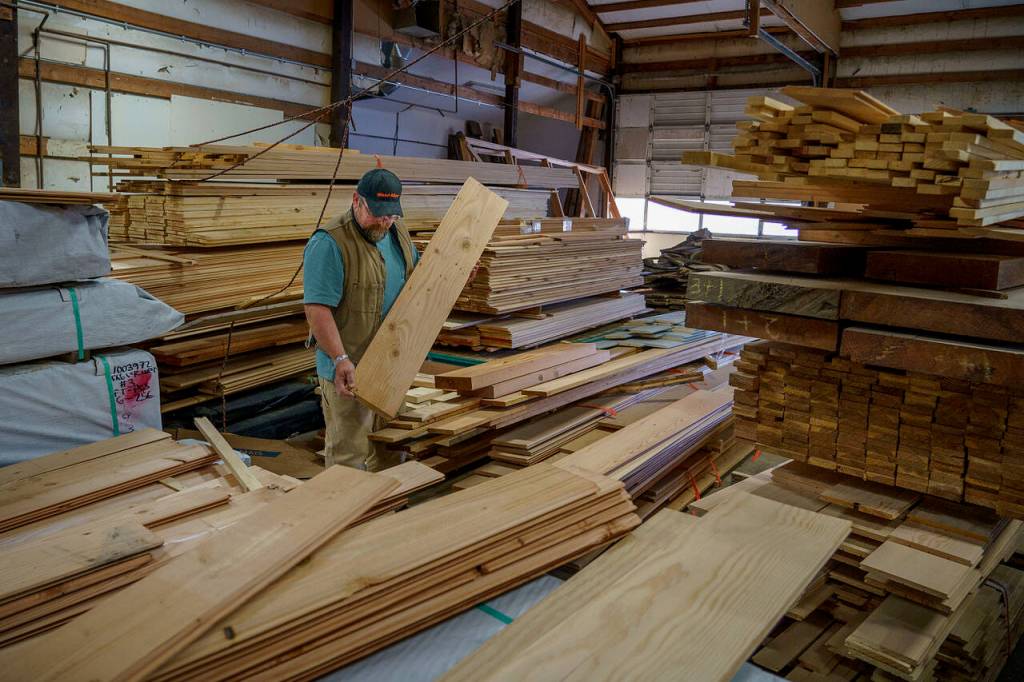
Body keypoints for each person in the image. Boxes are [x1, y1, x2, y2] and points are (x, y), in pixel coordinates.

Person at [303, 168, 418, 471]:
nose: (384, 221)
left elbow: (418, 279)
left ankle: (386, 513)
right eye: (377, 213)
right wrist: (340, 358)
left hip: (390, 363)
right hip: (349, 367)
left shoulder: (398, 234)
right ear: (357, 200)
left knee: (393, 447)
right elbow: (317, 310)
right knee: (348, 456)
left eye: (391, 215)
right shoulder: (330, 243)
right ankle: (348, 515)